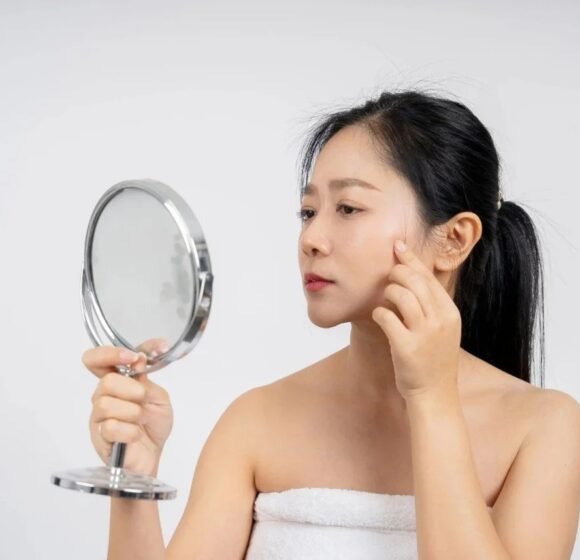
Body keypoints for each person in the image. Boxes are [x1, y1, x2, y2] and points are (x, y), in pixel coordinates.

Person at [84, 89, 580, 559]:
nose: (311, 238)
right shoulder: (255, 420)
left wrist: (432, 399)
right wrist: (134, 478)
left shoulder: (545, 428)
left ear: (454, 240)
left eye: (348, 208)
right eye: (307, 211)